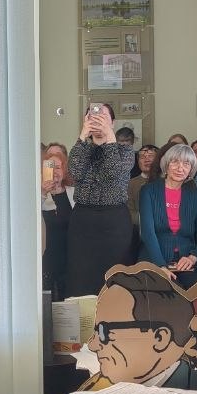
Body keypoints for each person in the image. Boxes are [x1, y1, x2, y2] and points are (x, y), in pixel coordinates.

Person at [66, 103, 135, 296]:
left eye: (103, 116)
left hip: (114, 220)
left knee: (114, 275)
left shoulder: (125, 151)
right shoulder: (82, 149)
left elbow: (113, 172)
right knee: (80, 273)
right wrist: (83, 134)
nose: (97, 119)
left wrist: (109, 136)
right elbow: (75, 172)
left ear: (112, 122)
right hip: (83, 219)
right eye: (92, 115)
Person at [138, 144, 197, 288]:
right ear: (166, 164)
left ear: (191, 170)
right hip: (155, 259)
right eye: (175, 162)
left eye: (186, 164)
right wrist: (161, 266)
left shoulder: (194, 197)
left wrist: (192, 258)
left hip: (186, 263)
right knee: (170, 292)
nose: (180, 168)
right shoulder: (148, 191)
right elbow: (148, 233)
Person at [41, 145, 74, 300]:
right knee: (47, 300)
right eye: (50, 167)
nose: (55, 171)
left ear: (64, 170)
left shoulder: (73, 193)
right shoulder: (37, 193)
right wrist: (42, 192)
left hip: (70, 257)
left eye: (58, 167)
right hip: (47, 257)